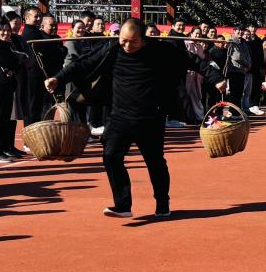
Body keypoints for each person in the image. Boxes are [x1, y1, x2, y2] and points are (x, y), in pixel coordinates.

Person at [48, 18, 224, 218]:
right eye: (123, 40)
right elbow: (83, 63)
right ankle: (123, 204)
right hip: (119, 116)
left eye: (133, 42)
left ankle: (162, 202)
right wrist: (58, 78)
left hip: (150, 117)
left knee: (155, 162)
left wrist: (217, 79)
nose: (127, 45)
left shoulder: (161, 50)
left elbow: (194, 60)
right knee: (111, 156)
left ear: (144, 38)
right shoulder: (112, 48)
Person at [0, 19, 28, 162]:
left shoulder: (6, 45)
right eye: (3, 30)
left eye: (8, 30)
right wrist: (15, 63)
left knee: (6, 119)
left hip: (8, 86)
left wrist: (14, 65)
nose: (6, 33)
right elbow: (12, 62)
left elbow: (18, 63)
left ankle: (4, 147)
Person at [18, 6, 49, 125]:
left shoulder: (37, 32)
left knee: (37, 108)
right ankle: (31, 134)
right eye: (36, 16)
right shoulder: (28, 34)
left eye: (40, 16)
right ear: (26, 18)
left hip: (39, 76)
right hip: (32, 76)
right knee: (33, 109)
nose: (39, 19)